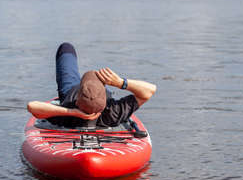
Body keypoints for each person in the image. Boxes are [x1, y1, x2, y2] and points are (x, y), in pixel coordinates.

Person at [27, 42, 156, 128]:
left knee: (66, 48)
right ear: (105, 102)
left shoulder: (67, 114)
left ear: (77, 101)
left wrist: (73, 112)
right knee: (67, 49)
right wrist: (121, 82)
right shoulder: (113, 113)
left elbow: (32, 106)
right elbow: (150, 90)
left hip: (70, 89)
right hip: (90, 94)